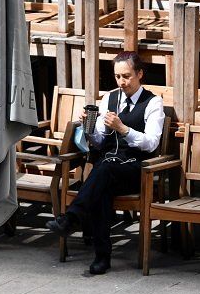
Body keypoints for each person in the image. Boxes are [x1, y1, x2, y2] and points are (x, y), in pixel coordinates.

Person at [46, 51, 165, 275]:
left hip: (135, 170)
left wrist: (123, 129)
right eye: (118, 76)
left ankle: (72, 219)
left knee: (103, 171)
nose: (122, 82)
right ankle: (101, 256)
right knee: (102, 182)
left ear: (140, 74)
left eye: (127, 76)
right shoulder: (109, 98)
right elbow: (99, 142)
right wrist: (88, 128)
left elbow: (151, 143)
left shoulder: (153, 102)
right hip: (108, 167)